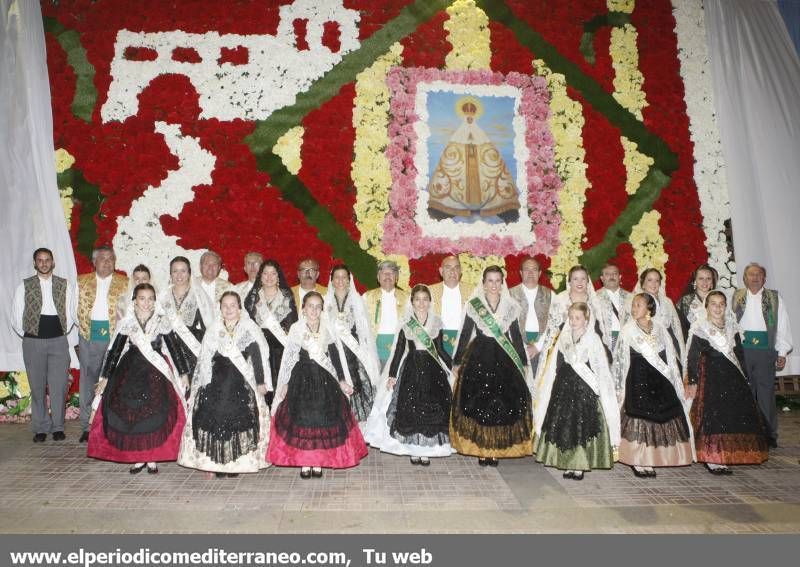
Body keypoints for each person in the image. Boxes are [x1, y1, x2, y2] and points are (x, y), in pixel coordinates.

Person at [87, 284, 191, 474]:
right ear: (134, 300)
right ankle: (138, 458)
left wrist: (183, 373)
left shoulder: (162, 321)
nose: (146, 302)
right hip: (131, 369)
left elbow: (174, 347)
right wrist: (105, 377)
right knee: (130, 414)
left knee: (155, 414)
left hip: (156, 372)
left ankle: (151, 457)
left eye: (150, 298)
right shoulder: (127, 323)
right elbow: (115, 351)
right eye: (142, 298)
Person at [268, 292, 368, 478]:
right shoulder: (297, 329)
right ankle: (306, 462)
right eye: (310, 306)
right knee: (303, 419)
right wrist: (285, 383)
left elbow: (335, 357)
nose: (313, 310)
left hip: (324, 380)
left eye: (317, 306)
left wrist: (341, 380)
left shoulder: (327, 329)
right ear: (303, 309)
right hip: (301, 379)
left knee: (322, 419)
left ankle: (318, 462)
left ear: (322, 309)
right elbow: (290, 358)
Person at [178, 291, 270, 477]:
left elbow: (257, 357)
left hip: (240, 382)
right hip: (216, 382)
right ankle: (216, 463)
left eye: (233, 305)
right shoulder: (214, 329)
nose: (229, 309)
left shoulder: (248, 328)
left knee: (237, 421)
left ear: (239, 308)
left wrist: (260, 382)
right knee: (215, 420)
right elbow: (205, 359)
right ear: (219, 309)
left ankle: (234, 464)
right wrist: (203, 382)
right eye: (225, 306)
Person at [450, 266, 531, 466]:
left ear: (502, 284)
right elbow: (465, 334)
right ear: (484, 284)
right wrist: (457, 361)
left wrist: (522, 361)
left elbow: (516, 337)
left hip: (505, 360)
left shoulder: (511, 307)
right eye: (490, 281)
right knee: (480, 405)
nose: (494, 285)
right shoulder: (474, 305)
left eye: (497, 281)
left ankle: (494, 450)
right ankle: (482, 449)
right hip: (479, 357)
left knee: (501, 405)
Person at [365, 285, 454, 465]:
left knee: (431, 408)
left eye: (424, 299)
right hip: (412, 368)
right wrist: (391, 374)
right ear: (412, 302)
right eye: (417, 299)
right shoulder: (407, 323)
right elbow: (398, 351)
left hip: (432, 370)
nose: (421, 303)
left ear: (430, 301)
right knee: (412, 409)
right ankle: (414, 449)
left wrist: (454, 367)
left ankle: (426, 450)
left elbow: (441, 350)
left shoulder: (436, 322)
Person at [685, 291, 768, 474]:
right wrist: (692, 380)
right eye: (713, 304)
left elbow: (739, 354)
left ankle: (727, 453)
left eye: (721, 304)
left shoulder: (732, 326)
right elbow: (692, 357)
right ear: (706, 307)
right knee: (714, 416)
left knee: (730, 415)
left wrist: (745, 376)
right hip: (711, 377)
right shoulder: (700, 327)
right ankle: (713, 458)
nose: (718, 307)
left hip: (731, 377)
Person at [534, 302, 618, 481]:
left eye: (577, 318)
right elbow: (558, 361)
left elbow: (599, 366)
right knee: (565, 425)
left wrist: (597, 388)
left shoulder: (593, 339)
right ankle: (567, 462)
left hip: (583, 389)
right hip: (564, 385)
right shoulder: (564, 337)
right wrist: (557, 380)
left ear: (586, 320)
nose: (573, 321)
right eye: (571, 317)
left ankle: (579, 465)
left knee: (581, 425)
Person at [613, 293, 694, 478]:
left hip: (659, 379)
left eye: (639, 305)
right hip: (637, 377)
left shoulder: (659, 329)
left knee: (661, 415)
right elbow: (619, 360)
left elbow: (670, 356)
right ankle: (638, 460)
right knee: (639, 416)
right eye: (633, 305)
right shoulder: (628, 330)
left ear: (649, 308)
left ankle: (654, 458)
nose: (634, 308)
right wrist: (618, 387)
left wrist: (674, 379)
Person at [11, 248, 77, 442]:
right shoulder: (24, 286)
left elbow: (71, 312)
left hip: (58, 341)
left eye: (47, 260)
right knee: (37, 386)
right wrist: (29, 336)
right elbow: (16, 316)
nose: (44, 263)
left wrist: (61, 332)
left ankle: (57, 427)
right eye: (40, 260)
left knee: (59, 386)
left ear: (53, 262)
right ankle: (40, 428)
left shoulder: (64, 285)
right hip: (33, 342)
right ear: (35, 263)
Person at [426, 96, 521, 223]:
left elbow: (488, 151)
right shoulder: (458, 135)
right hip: (464, 167)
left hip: (478, 167)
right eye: (467, 114)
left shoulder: (480, 134)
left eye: (472, 113)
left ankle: (494, 206)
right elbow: (452, 154)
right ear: (464, 116)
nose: (469, 118)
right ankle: (453, 207)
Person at [731, 262, 794, 448]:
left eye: (759, 274)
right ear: (745, 278)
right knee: (744, 393)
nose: (755, 278)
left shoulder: (774, 298)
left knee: (765, 394)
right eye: (751, 274)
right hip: (742, 350)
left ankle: (769, 434)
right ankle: (747, 432)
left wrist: (781, 351)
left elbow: (782, 324)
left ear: (764, 278)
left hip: (765, 350)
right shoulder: (737, 296)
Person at [77, 245, 129, 443]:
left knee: (115, 382)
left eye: (110, 259)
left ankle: (113, 426)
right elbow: (73, 310)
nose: (106, 262)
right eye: (102, 258)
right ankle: (87, 426)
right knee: (89, 382)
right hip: (90, 335)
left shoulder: (124, 282)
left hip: (116, 338)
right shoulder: (82, 282)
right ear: (94, 262)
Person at [325, 265, 380, 427]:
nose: (341, 280)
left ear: (349, 280)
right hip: (334, 353)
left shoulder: (357, 300)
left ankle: (362, 427)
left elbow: (365, 331)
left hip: (356, 353)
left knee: (360, 387)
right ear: (332, 280)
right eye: (337, 277)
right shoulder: (325, 301)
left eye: (344, 277)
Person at [534, 265, 609, 381]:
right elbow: (551, 328)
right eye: (575, 279)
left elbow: (600, 329)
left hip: (589, 352)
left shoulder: (595, 301)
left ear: (588, 281)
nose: (579, 282)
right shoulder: (560, 299)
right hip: (564, 352)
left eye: (583, 278)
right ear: (569, 281)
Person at [243, 260, 297, 400]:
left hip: (279, 352)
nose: (269, 277)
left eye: (273, 273)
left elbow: (292, 330)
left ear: (278, 276)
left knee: (279, 395)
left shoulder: (287, 299)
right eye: (265, 273)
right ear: (260, 276)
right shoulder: (252, 298)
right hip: (257, 352)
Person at [158, 256, 214, 378]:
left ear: (189, 273)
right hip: (166, 346)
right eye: (175, 271)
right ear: (170, 274)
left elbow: (207, 325)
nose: (179, 275)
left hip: (190, 347)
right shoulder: (162, 296)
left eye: (183, 271)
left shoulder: (198, 296)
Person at [629, 268, 686, 370]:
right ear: (642, 284)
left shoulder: (667, 301)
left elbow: (676, 328)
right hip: (648, 349)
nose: (654, 283)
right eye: (649, 280)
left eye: (657, 280)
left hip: (669, 347)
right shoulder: (637, 302)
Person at [509, 257, 553, 377]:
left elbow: (555, 324)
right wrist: (520, 347)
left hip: (543, 347)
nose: (530, 273)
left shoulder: (550, 295)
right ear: (521, 273)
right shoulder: (509, 294)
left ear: (539, 273)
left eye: (534, 270)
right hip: (515, 347)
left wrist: (538, 347)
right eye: (526, 270)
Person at [363, 260, 409, 369]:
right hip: (374, 350)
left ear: (396, 278)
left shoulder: (407, 298)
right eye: (384, 273)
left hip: (401, 349)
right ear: (378, 278)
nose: (388, 276)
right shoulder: (367, 297)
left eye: (391, 273)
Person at [427, 255, 471, 357]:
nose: (452, 271)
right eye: (448, 267)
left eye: (456, 267)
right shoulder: (429, 292)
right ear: (441, 271)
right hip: (437, 344)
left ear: (460, 271)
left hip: (465, 345)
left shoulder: (472, 291)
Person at [676, 264, 718, 338]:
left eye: (708, 278)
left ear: (712, 282)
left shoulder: (719, 299)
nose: (705, 282)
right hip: (694, 345)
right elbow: (678, 326)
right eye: (701, 278)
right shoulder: (686, 301)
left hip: (716, 345)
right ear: (695, 281)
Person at [596, 263, 630, 352]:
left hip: (629, 339)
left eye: (615, 273)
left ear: (620, 277)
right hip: (607, 339)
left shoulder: (631, 297)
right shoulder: (594, 298)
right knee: (611, 363)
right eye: (607, 274)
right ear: (602, 278)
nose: (611, 276)